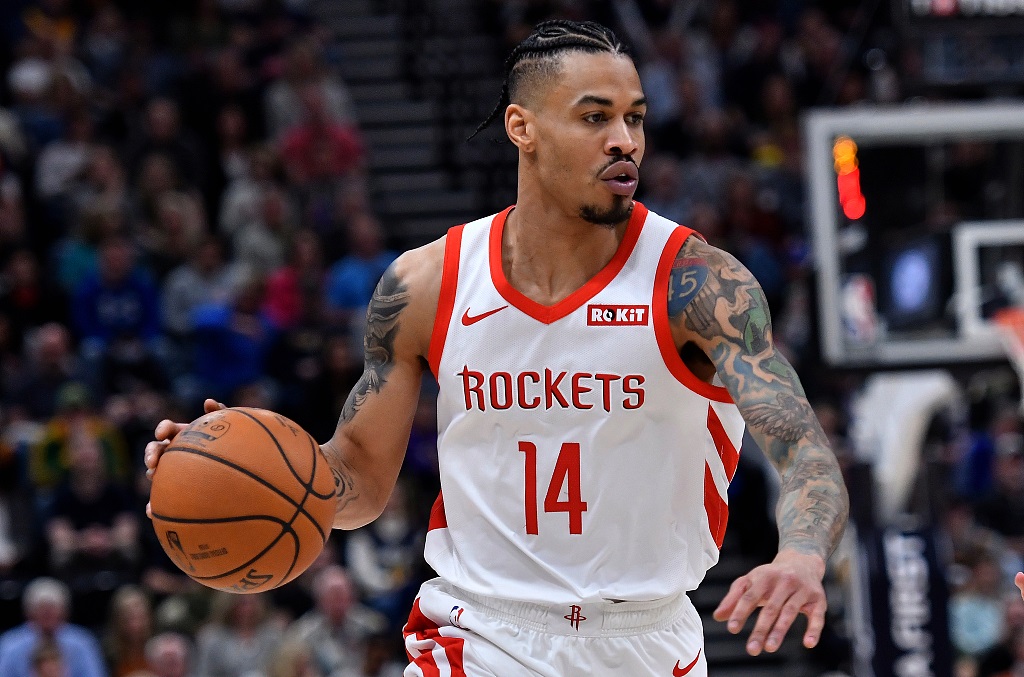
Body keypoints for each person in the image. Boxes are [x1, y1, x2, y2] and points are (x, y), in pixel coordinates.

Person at [147, 20, 848, 676]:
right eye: (595, 117)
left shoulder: (699, 285)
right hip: (480, 634)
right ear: (522, 127)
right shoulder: (425, 285)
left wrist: (803, 552)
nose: (624, 141)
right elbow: (356, 477)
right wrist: (234, 466)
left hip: (645, 638)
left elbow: (803, 450)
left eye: (634, 118)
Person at [0, 577, 107, 677]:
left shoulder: (82, 641)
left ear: (64, 611)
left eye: (52, 608)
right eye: (42, 608)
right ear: (29, 612)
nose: (47, 613)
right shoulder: (11, 644)